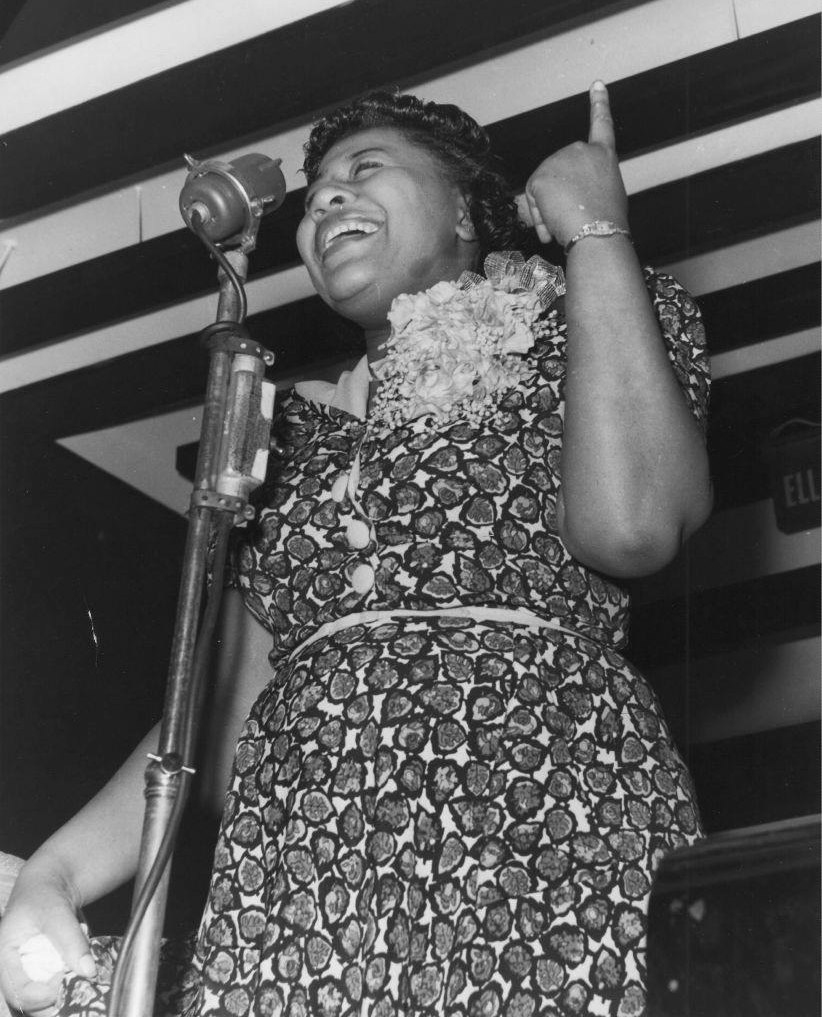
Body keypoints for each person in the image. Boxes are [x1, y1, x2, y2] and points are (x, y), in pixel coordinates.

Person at [0, 82, 712, 1016]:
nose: (325, 199)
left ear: (466, 209)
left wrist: (596, 236)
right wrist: (51, 871)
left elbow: (635, 527)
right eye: (316, 191)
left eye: (363, 170)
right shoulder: (282, 433)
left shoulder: (584, 321)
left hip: (542, 813)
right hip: (302, 862)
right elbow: (216, 719)